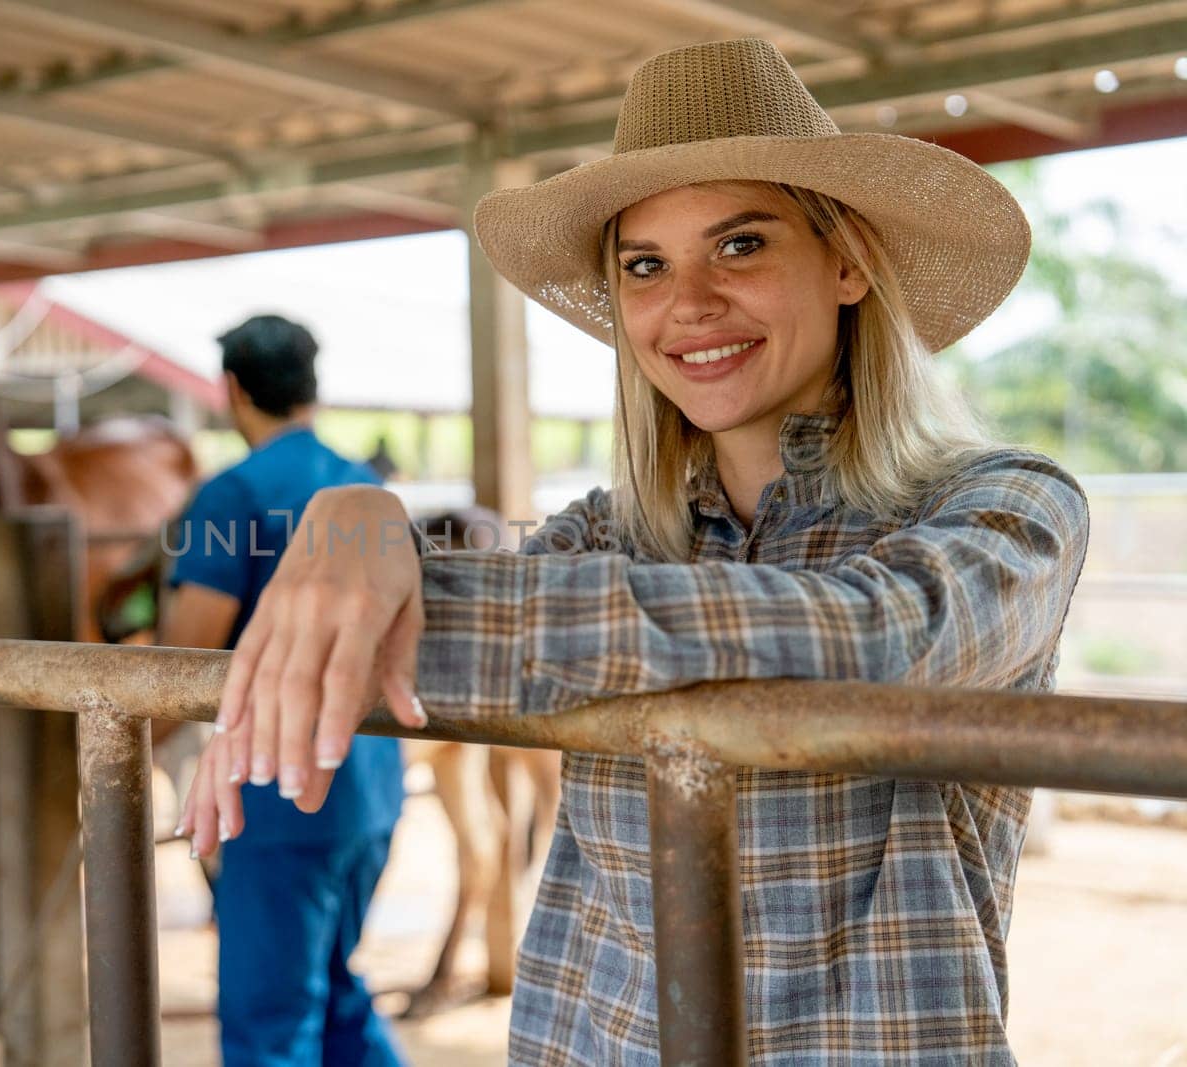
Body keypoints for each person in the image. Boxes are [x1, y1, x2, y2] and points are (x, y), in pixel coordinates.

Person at [178, 38, 1091, 1063]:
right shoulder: (598, 534)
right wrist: (356, 524)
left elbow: (878, 636)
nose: (687, 303)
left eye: (739, 245)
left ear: (847, 261)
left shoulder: (1009, 504)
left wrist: (384, 597)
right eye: (643, 264)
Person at [157, 313, 406, 1067]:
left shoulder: (230, 497)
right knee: (334, 989)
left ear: (231, 390)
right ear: (312, 388)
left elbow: (184, 651)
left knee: (270, 1021)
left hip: (278, 792)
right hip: (373, 787)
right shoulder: (364, 486)